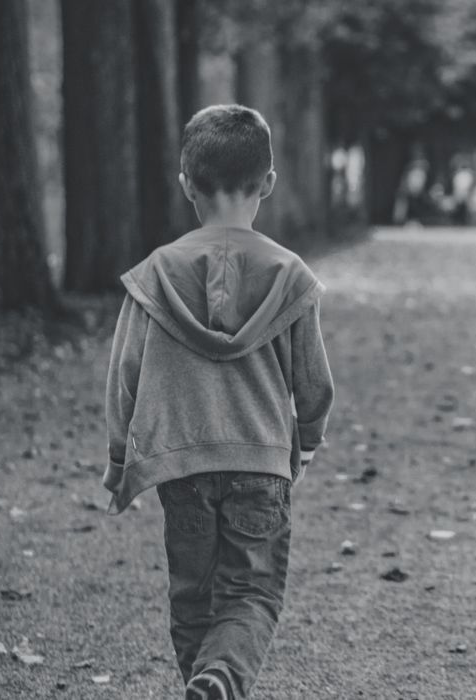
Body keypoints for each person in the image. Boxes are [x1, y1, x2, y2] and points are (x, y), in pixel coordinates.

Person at [102, 104, 335, 700]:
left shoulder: (156, 274)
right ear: (270, 183)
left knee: (194, 596)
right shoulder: (292, 276)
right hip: (260, 463)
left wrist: (118, 458)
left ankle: (207, 684)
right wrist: (305, 440)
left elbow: (124, 374)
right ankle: (220, 683)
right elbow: (313, 381)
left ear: (186, 183)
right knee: (250, 594)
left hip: (181, 464)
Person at [451, 160, 475, 225]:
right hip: (465, 193)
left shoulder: (458, 174)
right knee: (464, 207)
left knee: (460, 207)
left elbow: (455, 184)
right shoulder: (469, 174)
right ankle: (462, 220)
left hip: (460, 192)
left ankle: (459, 220)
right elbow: (471, 185)